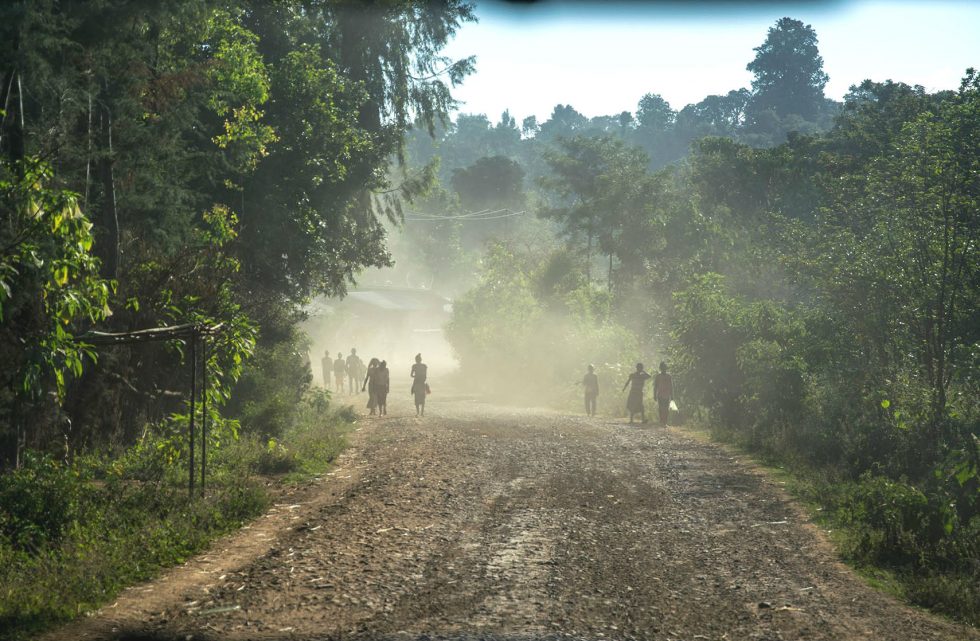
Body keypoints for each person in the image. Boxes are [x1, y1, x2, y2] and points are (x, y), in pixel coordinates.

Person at [653, 361, 674, 427]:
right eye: (662, 367)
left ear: (666, 368)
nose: (664, 368)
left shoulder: (669, 376)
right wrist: (654, 395)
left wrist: (672, 395)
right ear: (660, 368)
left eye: (665, 367)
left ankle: (665, 422)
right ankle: (661, 421)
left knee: (666, 408)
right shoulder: (658, 376)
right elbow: (655, 386)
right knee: (661, 408)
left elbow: (671, 386)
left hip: (667, 394)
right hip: (660, 394)